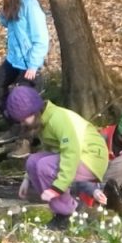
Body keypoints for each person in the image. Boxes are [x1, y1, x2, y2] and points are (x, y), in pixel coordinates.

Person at [7, 86, 109, 230]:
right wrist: (27, 179)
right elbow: (48, 151)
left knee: (44, 166)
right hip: (78, 156)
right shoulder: (42, 122)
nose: (23, 123)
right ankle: (67, 208)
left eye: (24, 119)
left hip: (91, 158)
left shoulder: (57, 119)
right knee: (32, 162)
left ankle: (66, 213)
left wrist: (57, 188)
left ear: (35, 111)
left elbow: (71, 153)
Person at [0, 0, 50, 146]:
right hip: (14, 59)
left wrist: (33, 65)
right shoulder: (15, 2)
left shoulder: (30, 4)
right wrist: (3, 15)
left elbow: (41, 38)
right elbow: (11, 26)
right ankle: (15, 125)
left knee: (24, 101)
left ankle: (27, 140)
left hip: (29, 63)